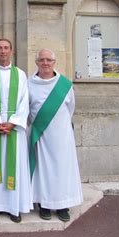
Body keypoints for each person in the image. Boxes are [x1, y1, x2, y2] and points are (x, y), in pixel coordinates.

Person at [28, 48, 83, 222]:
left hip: (62, 136)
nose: (45, 63)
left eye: (48, 60)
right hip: (41, 135)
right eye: (41, 60)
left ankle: (62, 205)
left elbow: (70, 108)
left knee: (62, 170)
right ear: (36, 62)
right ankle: (44, 204)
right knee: (43, 170)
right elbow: (27, 109)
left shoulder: (65, 85)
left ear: (54, 62)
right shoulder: (29, 83)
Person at [0, 39, 32, 223]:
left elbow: (25, 101)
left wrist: (13, 122)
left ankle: (14, 207)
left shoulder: (21, 75)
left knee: (14, 167)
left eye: (6, 48)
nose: (3, 51)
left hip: (14, 130)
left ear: (11, 50)